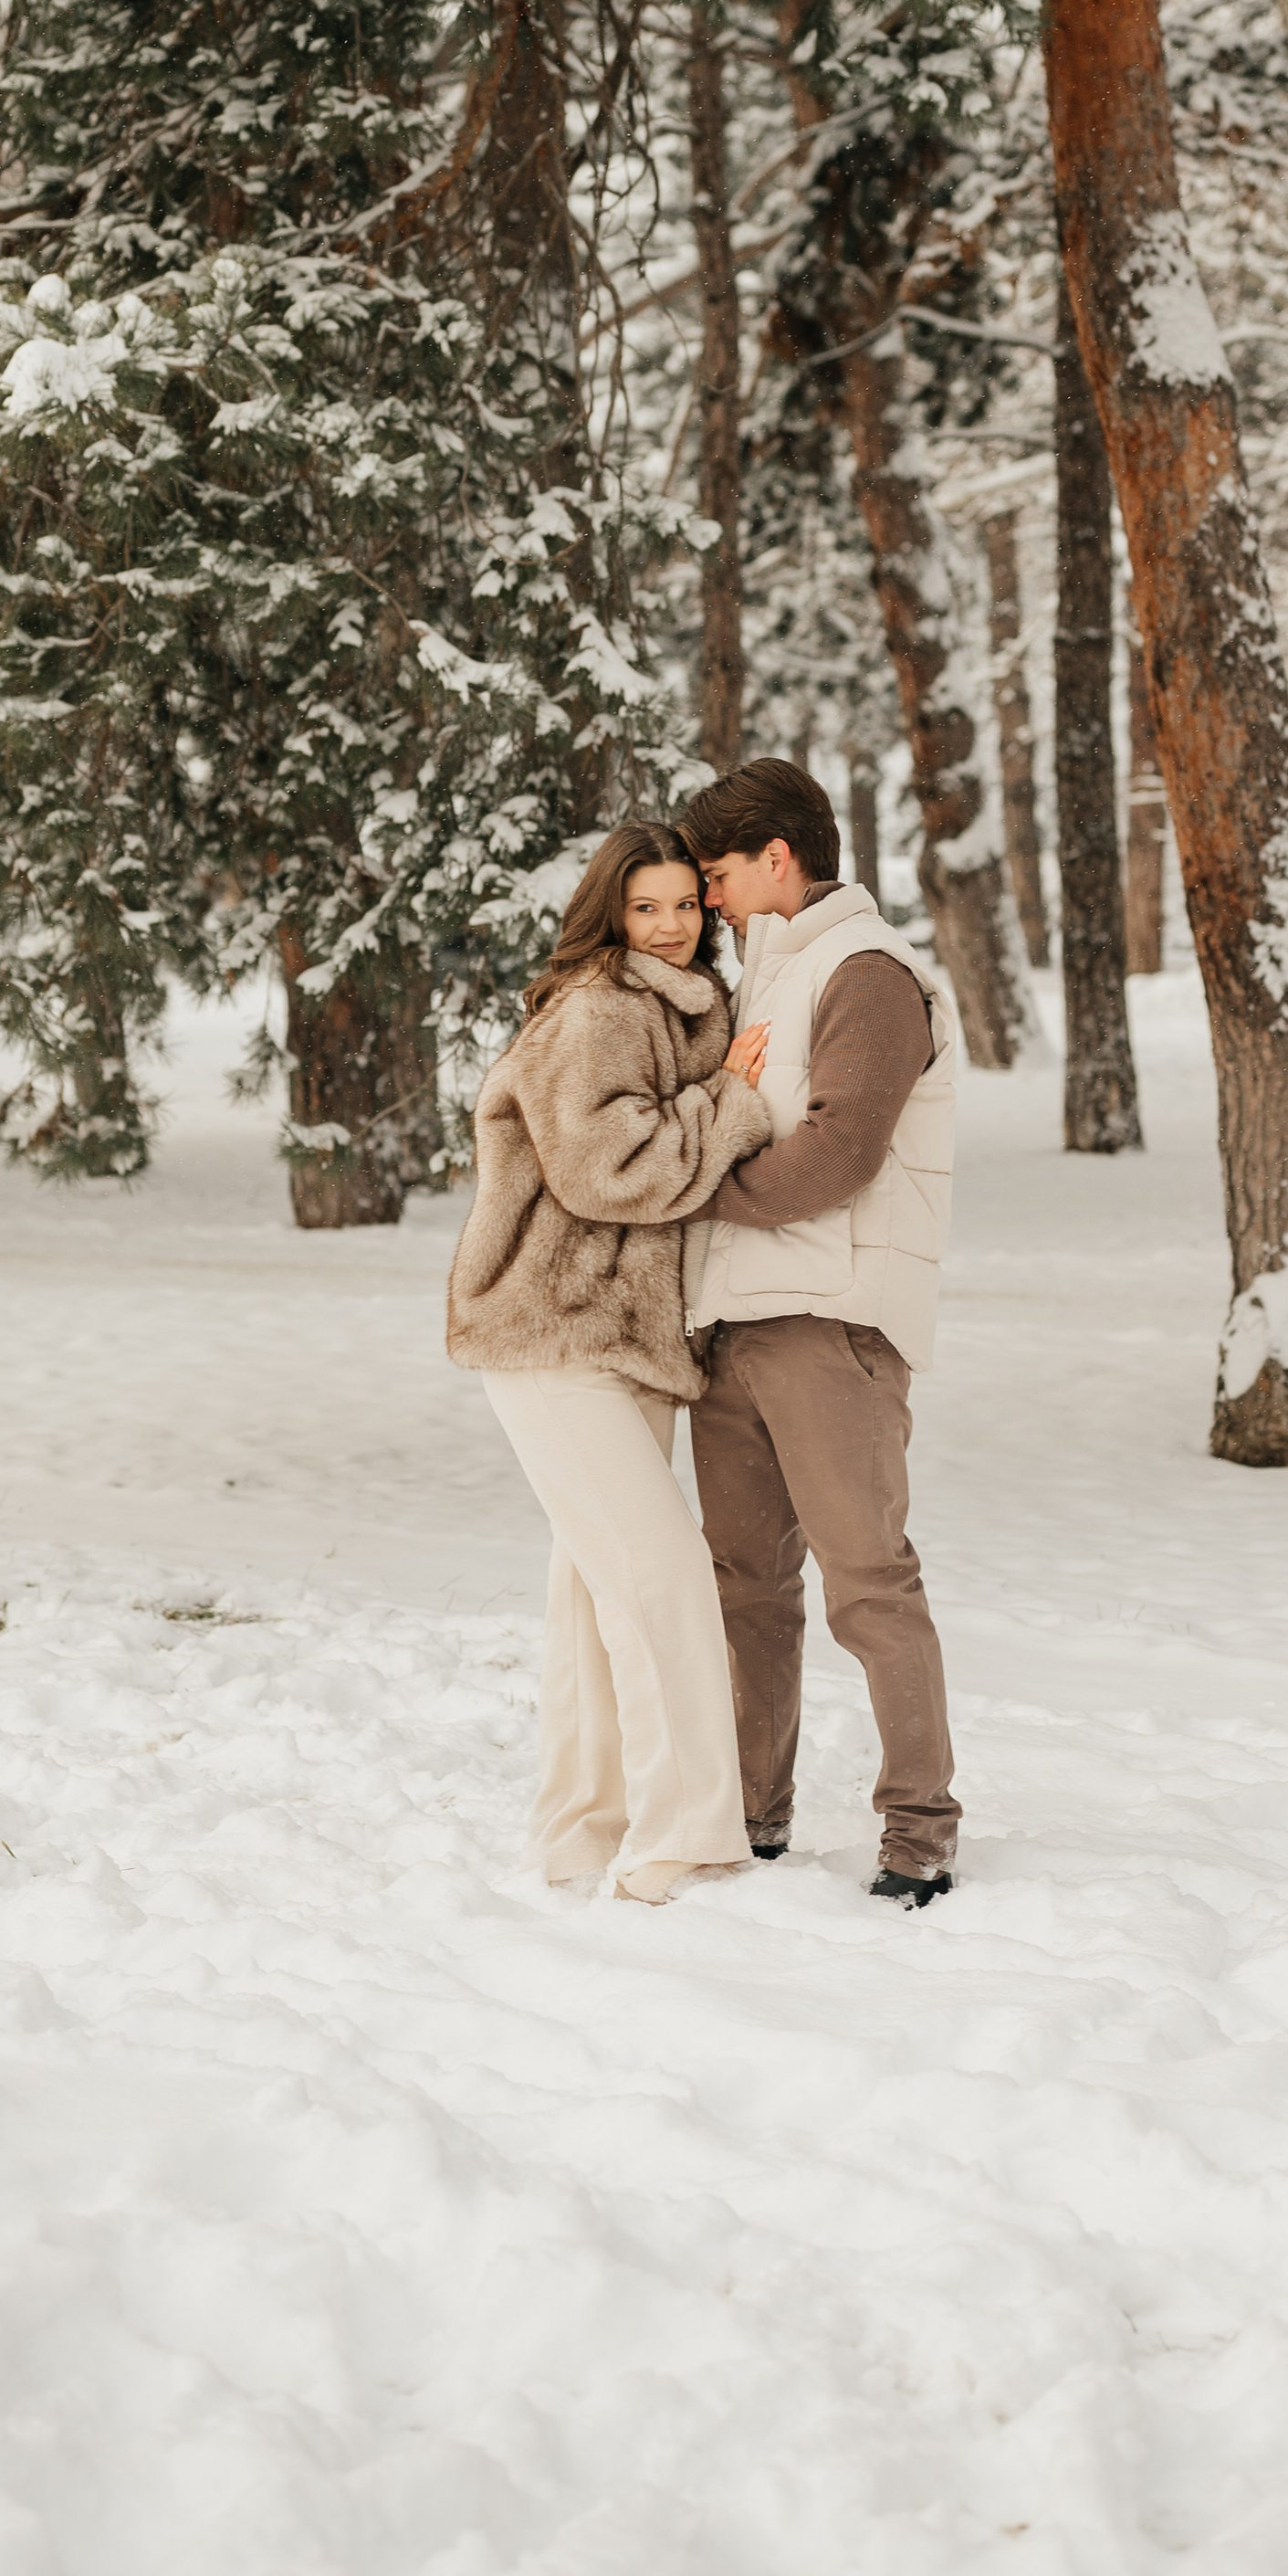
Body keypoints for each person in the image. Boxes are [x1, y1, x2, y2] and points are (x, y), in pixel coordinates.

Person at [445, 821, 774, 1904]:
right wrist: (726, 1103)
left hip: (628, 1340)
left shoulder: (677, 1008)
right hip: (554, 1333)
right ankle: (684, 1839)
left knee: (595, 1594)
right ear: (609, 913)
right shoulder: (597, 1009)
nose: (671, 926)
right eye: (646, 907)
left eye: (684, 903)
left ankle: (581, 1834)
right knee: (661, 1573)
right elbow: (606, 1169)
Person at [678, 759, 961, 1907]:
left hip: (830, 1326)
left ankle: (919, 1832)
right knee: (745, 1585)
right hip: (733, 1324)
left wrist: (696, 1188)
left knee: (867, 1583)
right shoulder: (761, 978)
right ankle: (755, 1813)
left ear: (777, 855)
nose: (706, 894)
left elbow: (837, 1154)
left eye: (718, 870)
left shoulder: (869, 972)